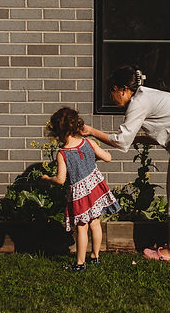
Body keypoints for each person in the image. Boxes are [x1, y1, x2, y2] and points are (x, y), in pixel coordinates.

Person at [82, 66, 170, 262]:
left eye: (112, 91)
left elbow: (121, 140)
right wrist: (139, 140)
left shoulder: (138, 103)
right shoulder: (145, 96)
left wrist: (91, 131)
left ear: (122, 89)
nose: (111, 97)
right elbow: (163, 129)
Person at [42, 107, 119, 272]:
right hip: (95, 187)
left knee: (82, 227)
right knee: (95, 223)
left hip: (80, 194)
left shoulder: (62, 153)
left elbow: (61, 179)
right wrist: (93, 154)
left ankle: (79, 263)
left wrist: (49, 179)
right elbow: (108, 157)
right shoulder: (89, 143)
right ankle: (95, 256)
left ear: (57, 132)